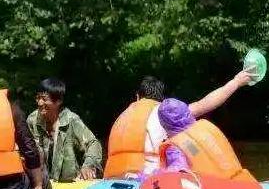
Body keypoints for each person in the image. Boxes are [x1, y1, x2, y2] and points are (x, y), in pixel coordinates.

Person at [105, 71, 253, 179]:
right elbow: (206, 103)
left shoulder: (122, 117)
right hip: (145, 183)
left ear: (137, 97)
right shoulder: (166, 113)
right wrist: (236, 81)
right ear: (161, 99)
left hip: (112, 180)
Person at [154, 98, 255, 182]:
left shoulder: (176, 146)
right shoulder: (206, 128)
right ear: (187, 112)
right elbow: (196, 154)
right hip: (246, 183)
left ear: (164, 124)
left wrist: (151, 176)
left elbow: (176, 171)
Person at [27, 78, 103, 182]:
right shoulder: (32, 120)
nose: (40, 103)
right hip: (42, 183)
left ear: (58, 101)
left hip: (69, 184)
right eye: (37, 98)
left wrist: (88, 166)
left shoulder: (71, 120)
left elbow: (93, 143)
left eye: (44, 99)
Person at [0, 88, 50, 189]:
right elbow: (30, 150)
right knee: (39, 158)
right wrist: (37, 185)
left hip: (8, 186)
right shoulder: (9, 108)